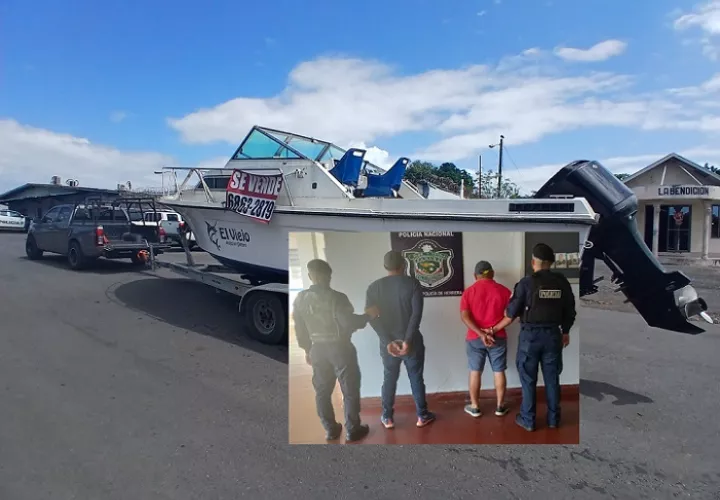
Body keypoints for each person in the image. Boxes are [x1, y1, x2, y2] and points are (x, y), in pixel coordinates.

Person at [486, 243, 576, 432]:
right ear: (551, 262)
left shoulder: (526, 283)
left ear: (533, 262)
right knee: (552, 379)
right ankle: (553, 420)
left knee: (528, 379)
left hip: (530, 337)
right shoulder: (562, 282)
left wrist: (493, 329)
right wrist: (565, 331)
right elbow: (570, 311)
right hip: (553, 335)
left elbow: (510, 314)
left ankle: (528, 420)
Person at [292, 259, 378, 442]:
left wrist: (307, 349)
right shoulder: (338, 298)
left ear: (310, 276)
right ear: (329, 276)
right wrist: (368, 316)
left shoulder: (300, 298)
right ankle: (353, 429)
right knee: (349, 390)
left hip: (317, 349)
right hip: (340, 349)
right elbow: (348, 323)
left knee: (322, 391)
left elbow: (299, 328)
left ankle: (331, 429)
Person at [365, 250, 436, 429]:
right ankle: (422, 416)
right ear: (403, 265)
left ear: (385, 266)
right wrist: (407, 340)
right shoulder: (413, 284)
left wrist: (388, 341)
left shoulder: (374, 287)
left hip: (388, 345)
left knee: (389, 378)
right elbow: (416, 314)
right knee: (416, 378)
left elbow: (372, 317)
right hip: (412, 343)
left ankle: (387, 417)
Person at [459, 261, 512, 418]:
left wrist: (481, 334)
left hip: (474, 338)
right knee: (499, 370)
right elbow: (511, 315)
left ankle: (475, 407)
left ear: (475, 275)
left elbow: (465, 316)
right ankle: (500, 406)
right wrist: (493, 330)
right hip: (498, 337)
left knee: (475, 371)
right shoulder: (504, 291)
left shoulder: (469, 292)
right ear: (492, 273)